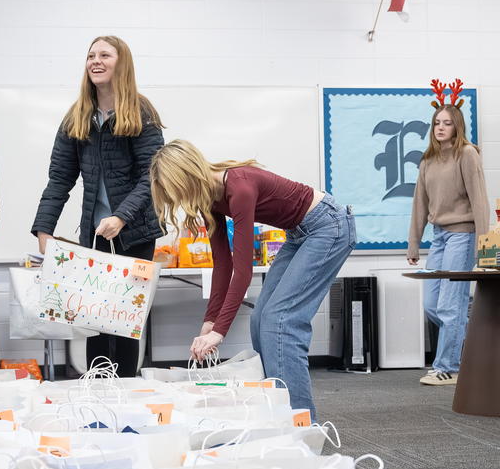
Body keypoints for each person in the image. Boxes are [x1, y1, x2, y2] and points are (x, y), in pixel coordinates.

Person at [150, 139, 356, 423]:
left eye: (176, 192)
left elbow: (243, 271)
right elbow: (223, 264)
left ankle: (302, 426)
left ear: (187, 176)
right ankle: (278, 411)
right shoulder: (209, 197)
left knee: (281, 321)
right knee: (260, 320)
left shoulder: (239, 187)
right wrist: (210, 322)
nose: (179, 202)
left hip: (328, 226)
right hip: (299, 234)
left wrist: (219, 332)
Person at [31, 36, 165, 378]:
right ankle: (97, 392)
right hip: (95, 235)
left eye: (105, 55)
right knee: (95, 318)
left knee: (124, 320)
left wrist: (121, 217)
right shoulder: (77, 116)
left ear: (122, 63)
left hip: (135, 233)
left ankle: (126, 392)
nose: (96, 61)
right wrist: (44, 231)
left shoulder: (142, 111)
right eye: (91, 55)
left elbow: (151, 177)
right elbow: (60, 179)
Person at [408, 99, 490, 386]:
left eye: (447, 122)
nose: (440, 127)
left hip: (463, 237)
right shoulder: (428, 160)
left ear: (457, 126)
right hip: (439, 237)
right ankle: (483, 341)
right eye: (436, 123)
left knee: (450, 306)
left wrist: (484, 249)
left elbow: (480, 202)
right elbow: (419, 203)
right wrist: (414, 244)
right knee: (432, 304)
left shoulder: (467, 154)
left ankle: (449, 368)